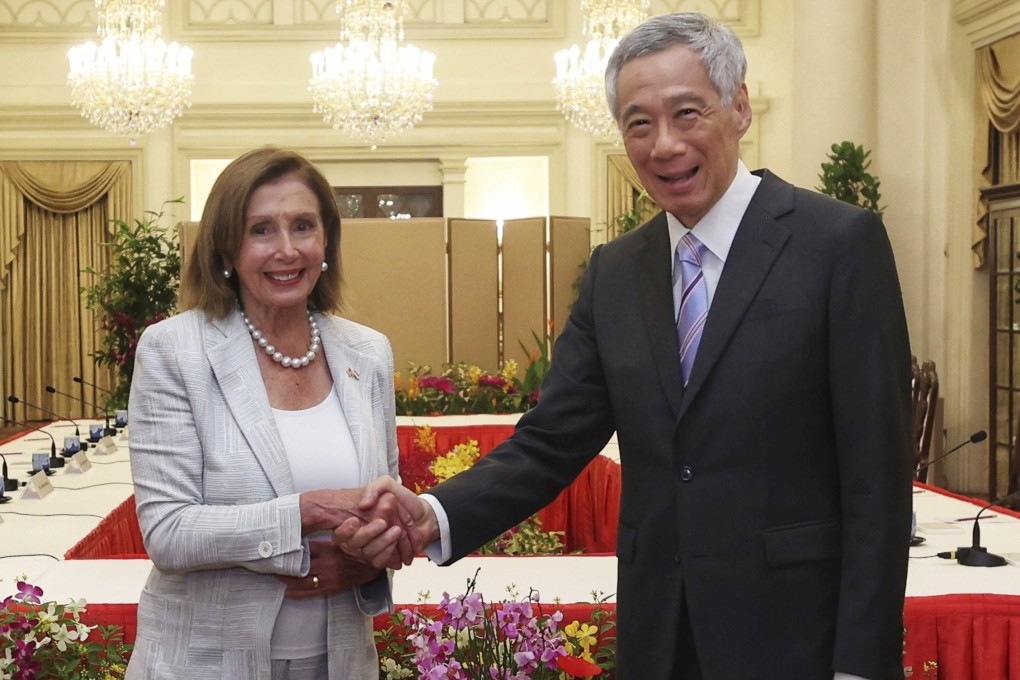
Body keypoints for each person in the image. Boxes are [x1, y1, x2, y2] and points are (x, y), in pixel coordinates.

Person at [339, 12, 914, 680]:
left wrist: (862, 665)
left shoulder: (836, 245)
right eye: (639, 123)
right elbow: (551, 440)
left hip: (797, 638)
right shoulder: (617, 271)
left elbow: (877, 478)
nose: (663, 144)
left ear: (740, 108)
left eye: (686, 113)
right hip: (658, 636)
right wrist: (432, 515)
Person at [126, 147, 409, 680]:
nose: (286, 249)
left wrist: (372, 552)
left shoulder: (367, 353)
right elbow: (168, 530)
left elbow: (382, 500)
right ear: (227, 249)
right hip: (204, 664)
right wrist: (308, 510)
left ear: (326, 240)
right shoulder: (173, 351)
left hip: (339, 662)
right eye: (261, 230)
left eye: (303, 226)